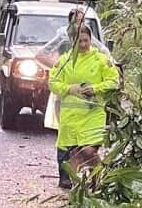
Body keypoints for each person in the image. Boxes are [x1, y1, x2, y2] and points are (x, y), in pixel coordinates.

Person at [48, 26, 120, 188]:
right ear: (72, 42)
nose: (83, 44)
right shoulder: (64, 61)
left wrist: (96, 88)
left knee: (88, 151)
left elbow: (114, 81)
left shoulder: (101, 60)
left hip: (93, 114)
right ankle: (78, 187)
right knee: (71, 153)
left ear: (91, 40)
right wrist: (69, 88)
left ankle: (101, 178)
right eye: (79, 41)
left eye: (86, 40)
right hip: (70, 116)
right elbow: (52, 83)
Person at [39, 7, 111, 131]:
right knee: (64, 124)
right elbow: (41, 54)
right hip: (65, 84)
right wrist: (58, 66)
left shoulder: (88, 36)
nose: (79, 23)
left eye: (82, 20)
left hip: (85, 85)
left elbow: (105, 53)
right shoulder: (63, 35)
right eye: (76, 20)